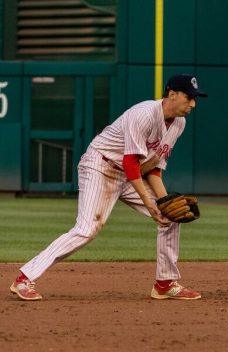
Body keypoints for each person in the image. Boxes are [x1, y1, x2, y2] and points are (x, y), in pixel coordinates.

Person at [9, 74, 207, 301]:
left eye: (195, 98)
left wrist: (163, 203)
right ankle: (24, 278)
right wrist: (148, 204)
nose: (193, 103)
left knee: (170, 216)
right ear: (172, 94)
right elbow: (130, 162)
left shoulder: (179, 123)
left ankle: (165, 283)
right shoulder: (143, 114)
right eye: (189, 97)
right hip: (100, 165)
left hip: (130, 174)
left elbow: (153, 168)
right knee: (87, 229)